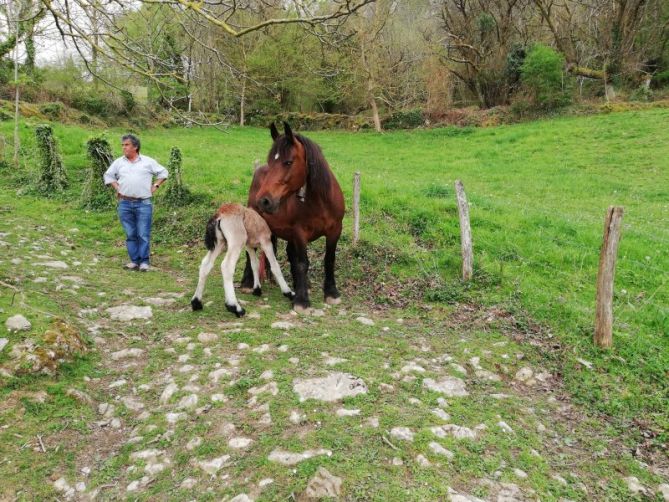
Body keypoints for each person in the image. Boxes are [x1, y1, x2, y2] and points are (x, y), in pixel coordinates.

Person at [103, 134, 168, 272]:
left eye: (126, 145)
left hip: (143, 203)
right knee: (130, 233)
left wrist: (155, 186)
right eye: (122, 145)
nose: (123, 147)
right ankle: (134, 261)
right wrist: (117, 187)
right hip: (125, 203)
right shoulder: (119, 162)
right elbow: (108, 175)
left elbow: (163, 172)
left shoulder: (148, 162)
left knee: (143, 233)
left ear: (135, 147)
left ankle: (144, 262)